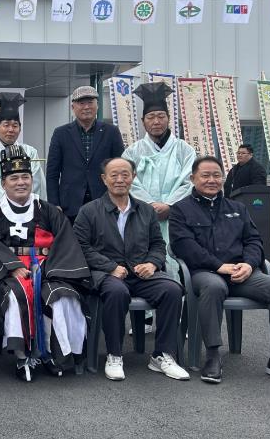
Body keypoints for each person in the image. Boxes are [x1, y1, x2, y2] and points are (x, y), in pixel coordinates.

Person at [170, 156, 270, 385]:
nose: (212, 180)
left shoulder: (237, 208)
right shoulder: (180, 210)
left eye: (217, 175)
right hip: (205, 273)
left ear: (223, 178)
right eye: (205, 175)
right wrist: (218, 265)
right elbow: (184, 246)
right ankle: (213, 355)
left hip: (241, 273)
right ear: (193, 178)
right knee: (214, 287)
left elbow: (254, 240)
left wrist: (249, 264)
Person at [0, 145, 91, 382]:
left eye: (25, 177)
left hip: (48, 269)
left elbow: (65, 241)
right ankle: (22, 356)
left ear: (32, 179)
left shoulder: (48, 211)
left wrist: (48, 270)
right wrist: (11, 267)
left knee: (61, 295)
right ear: (3, 183)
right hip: (8, 274)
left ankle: (52, 354)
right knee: (15, 295)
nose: (21, 182)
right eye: (14, 178)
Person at [74, 157, 189, 382]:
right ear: (104, 179)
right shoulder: (89, 211)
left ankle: (162, 355)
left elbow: (158, 244)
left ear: (133, 177)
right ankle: (114, 355)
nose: (120, 179)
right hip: (106, 274)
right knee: (117, 292)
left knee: (172, 290)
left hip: (141, 272)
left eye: (125, 174)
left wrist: (152, 263)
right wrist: (110, 267)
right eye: (114, 175)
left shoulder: (146, 210)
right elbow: (80, 246)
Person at [122, 82, 195, 280]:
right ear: (143, 121)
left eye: (161, 116)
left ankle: (182, 297)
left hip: (176, 217)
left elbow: (190, 181)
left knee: (179, 262)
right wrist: (150, 205)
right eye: (151, 117)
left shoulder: (184, 150)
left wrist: (169, 205)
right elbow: (128, 182)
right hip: (142, 217)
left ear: (169, 118)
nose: (156, 121)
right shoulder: (132, 152)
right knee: (144, 263)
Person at [46, 86, 124, 225]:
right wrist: (54, 204)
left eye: (90, 102)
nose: (86, 107)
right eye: (81, 103)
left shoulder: (111, 132)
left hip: (105, 202)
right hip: (69, 205)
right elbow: (52, 172)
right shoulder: (61, 133)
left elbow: (120, 167)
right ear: (73, 107)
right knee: (72, 239)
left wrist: (120, 199)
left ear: (97, 105)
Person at [0, 92, 46, 217]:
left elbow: (35, 183)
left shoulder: (30, 152)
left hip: (27, 211)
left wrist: (21, 204)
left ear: (20, 128)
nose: (10, 130)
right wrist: (6, 206)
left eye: (15, 125)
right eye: (6, 125)